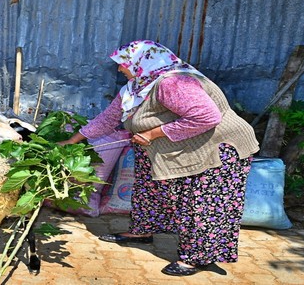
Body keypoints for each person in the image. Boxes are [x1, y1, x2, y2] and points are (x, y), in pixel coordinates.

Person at [58, 40, 259, 276]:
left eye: (123, 64)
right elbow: (108, 119)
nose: (120, 70)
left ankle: (196, 257)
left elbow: (206, 117)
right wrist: (71, 141)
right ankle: (143, 231)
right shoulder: (136, 87)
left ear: (142, 63)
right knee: (149, 188)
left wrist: (152, 133)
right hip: (169, 148)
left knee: (200, 203)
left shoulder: (172, 83)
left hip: (214, 148)